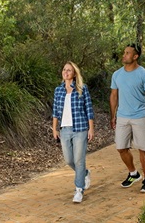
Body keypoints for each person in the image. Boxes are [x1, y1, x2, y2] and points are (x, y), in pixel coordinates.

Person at [110, 44, 145, 193]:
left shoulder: (144, 74)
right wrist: (112, 116)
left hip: (141, 116)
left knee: (143, 150)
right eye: (124, 53)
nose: (124, 55)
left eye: (127, 53)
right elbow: (114, 96)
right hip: (122, 116)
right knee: (121, 148)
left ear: (135, 56)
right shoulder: (117, 74)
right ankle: (134, 173)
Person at [52, 61, 95, 203]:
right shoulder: (58, 90)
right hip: (65, 129)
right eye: (64, 69)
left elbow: (89, 109)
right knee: (69, 160)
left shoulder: (82, 88)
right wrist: (54, 128)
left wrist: (91, 128)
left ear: (74, 73)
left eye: (69, 70)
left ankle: (79, 190)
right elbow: (55, 111)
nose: (66, 72)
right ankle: (85, 174)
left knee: (79, 160)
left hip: (80, 128)